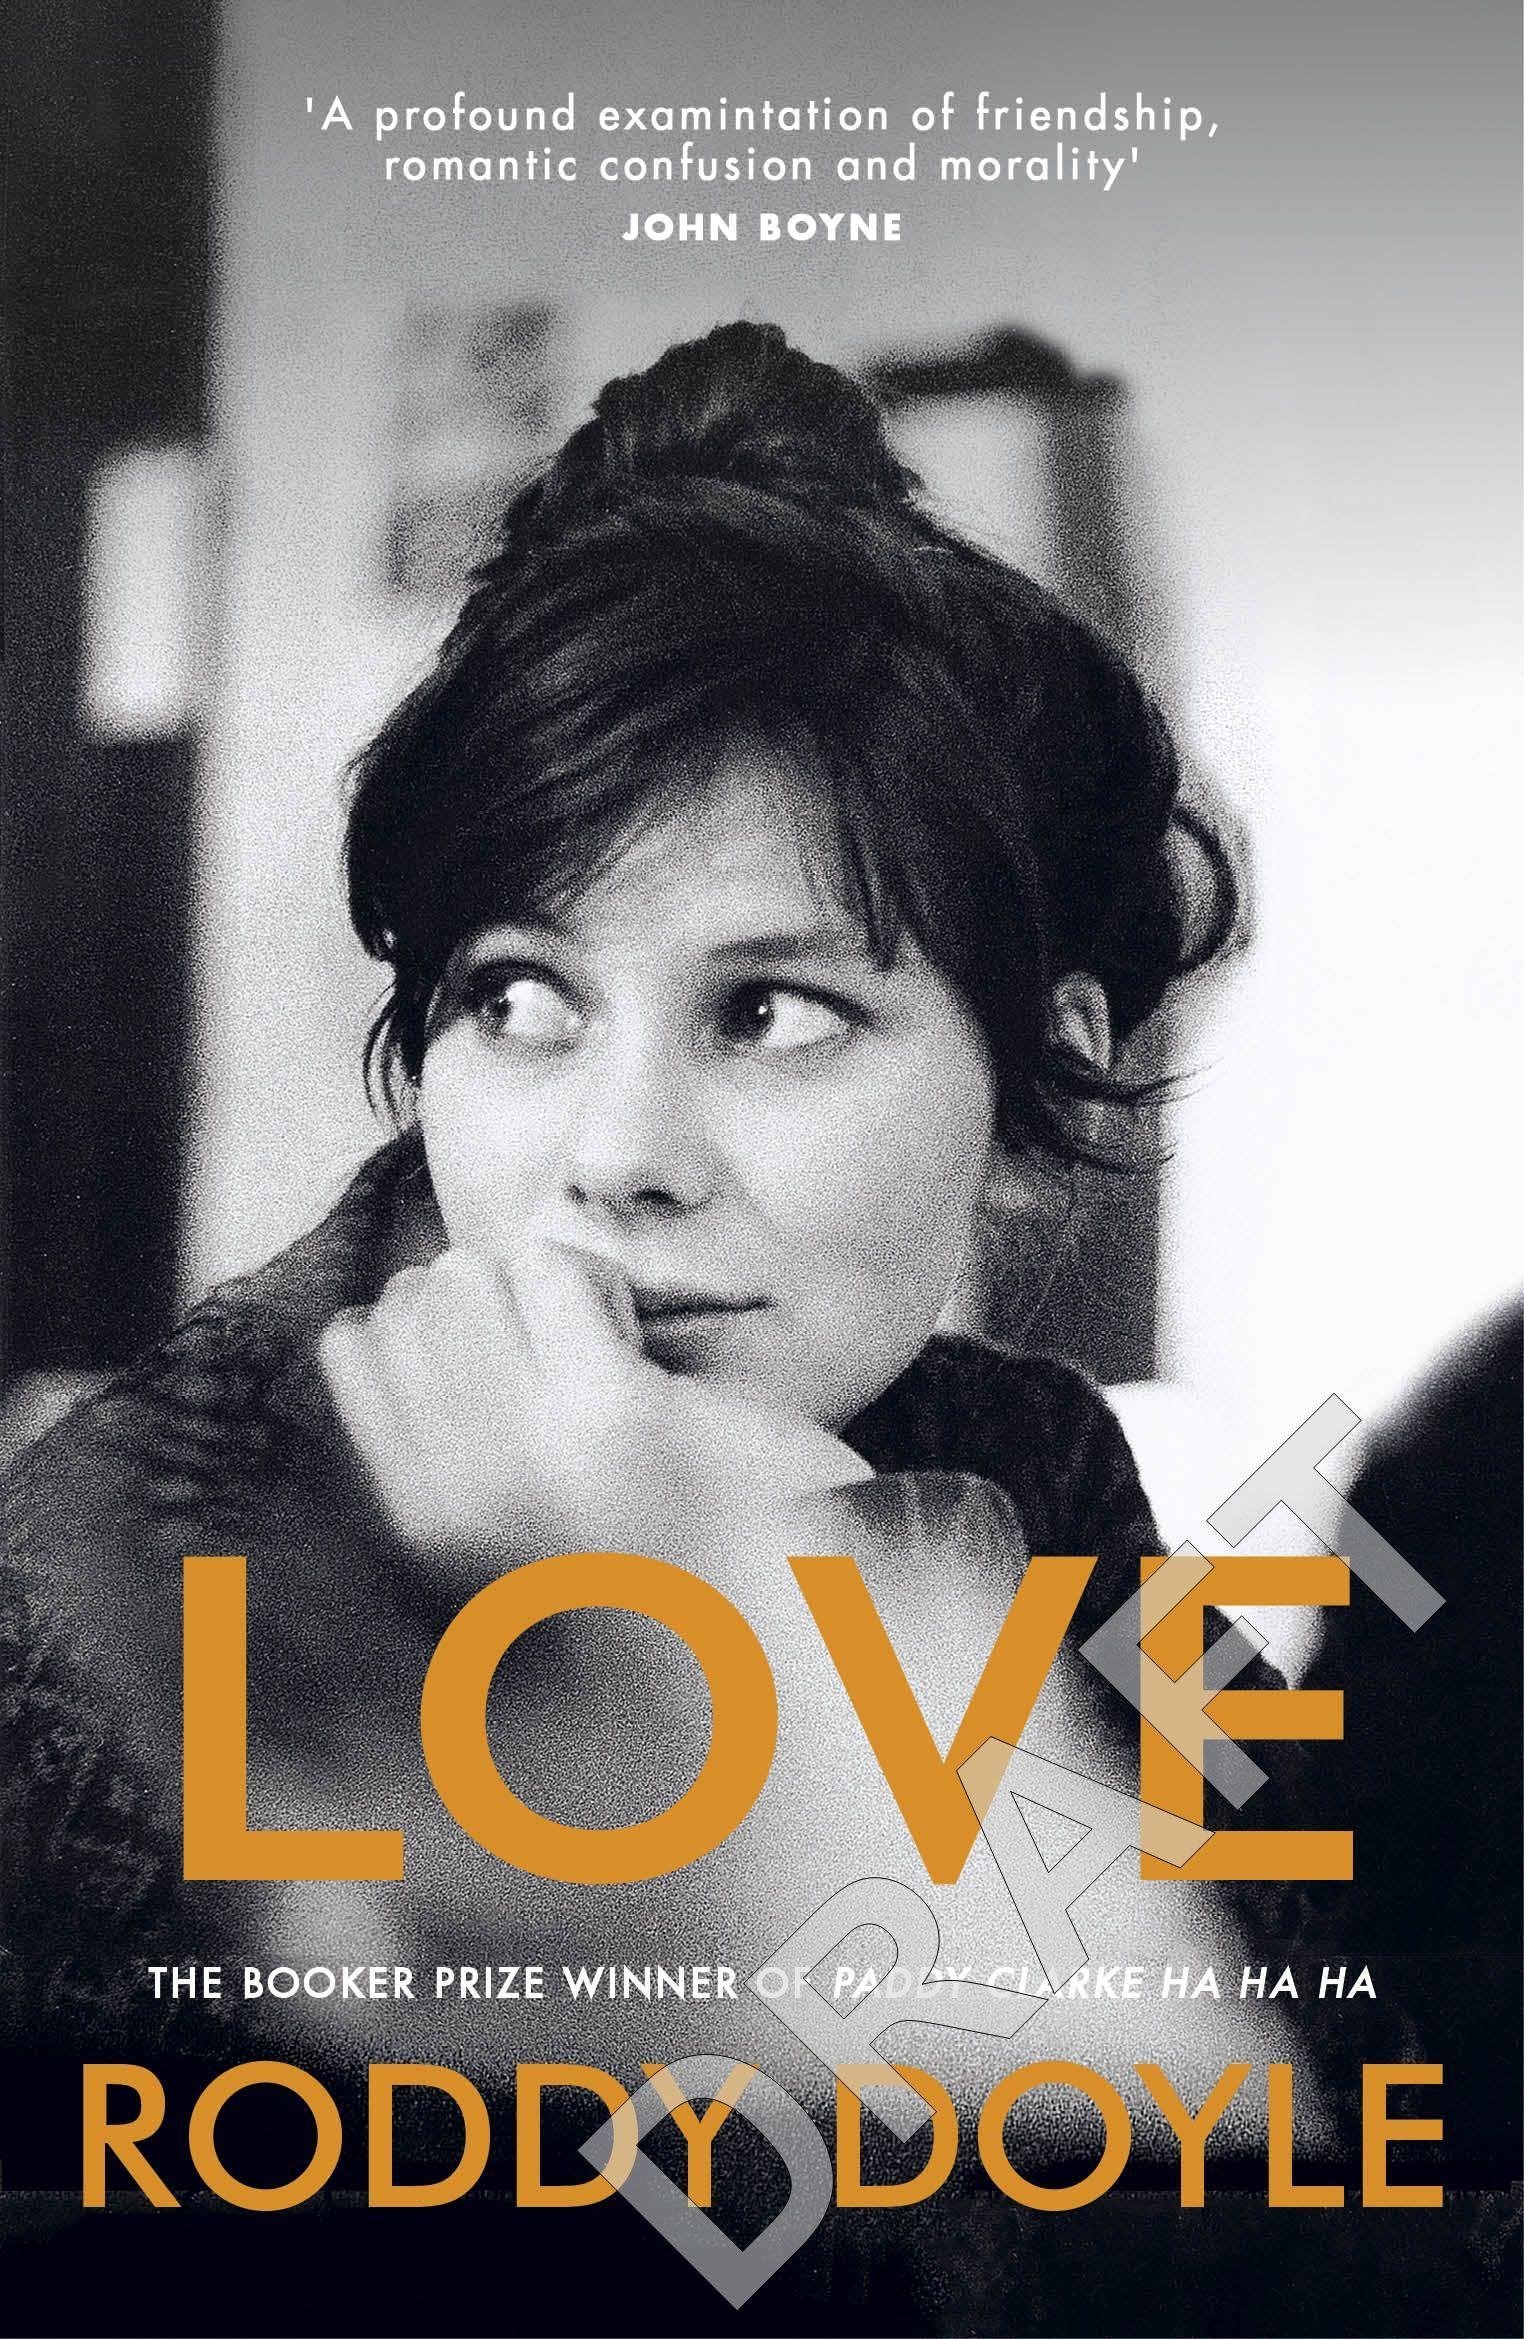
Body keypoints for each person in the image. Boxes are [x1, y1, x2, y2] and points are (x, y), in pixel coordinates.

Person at [4, 321, 1400, 2334]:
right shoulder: (140, 1555)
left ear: (1034, 1102)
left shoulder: (1021, 1466)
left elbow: (1295, 2148)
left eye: (772, 1012)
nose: (615, 1158)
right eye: (519, 1000)